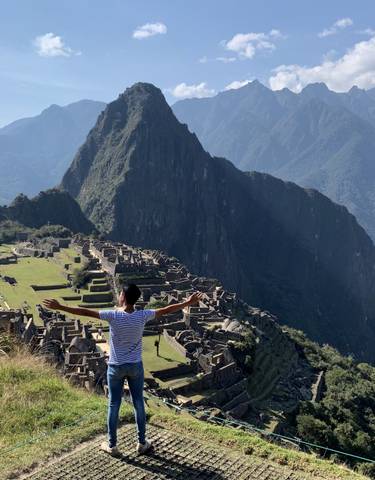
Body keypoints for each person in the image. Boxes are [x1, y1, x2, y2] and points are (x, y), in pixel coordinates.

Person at [42, 284, 203, 457]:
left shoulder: (113, 315)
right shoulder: (142, 315)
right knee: (138, 403)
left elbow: (85, 312)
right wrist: (188, 302)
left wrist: (60, 307)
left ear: (123, 297)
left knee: (114, 404)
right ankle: (142, 443)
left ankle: (112, 445)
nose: (118, 296)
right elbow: (166, 310)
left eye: (120, 294)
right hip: (135, 366)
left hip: (116, 366)